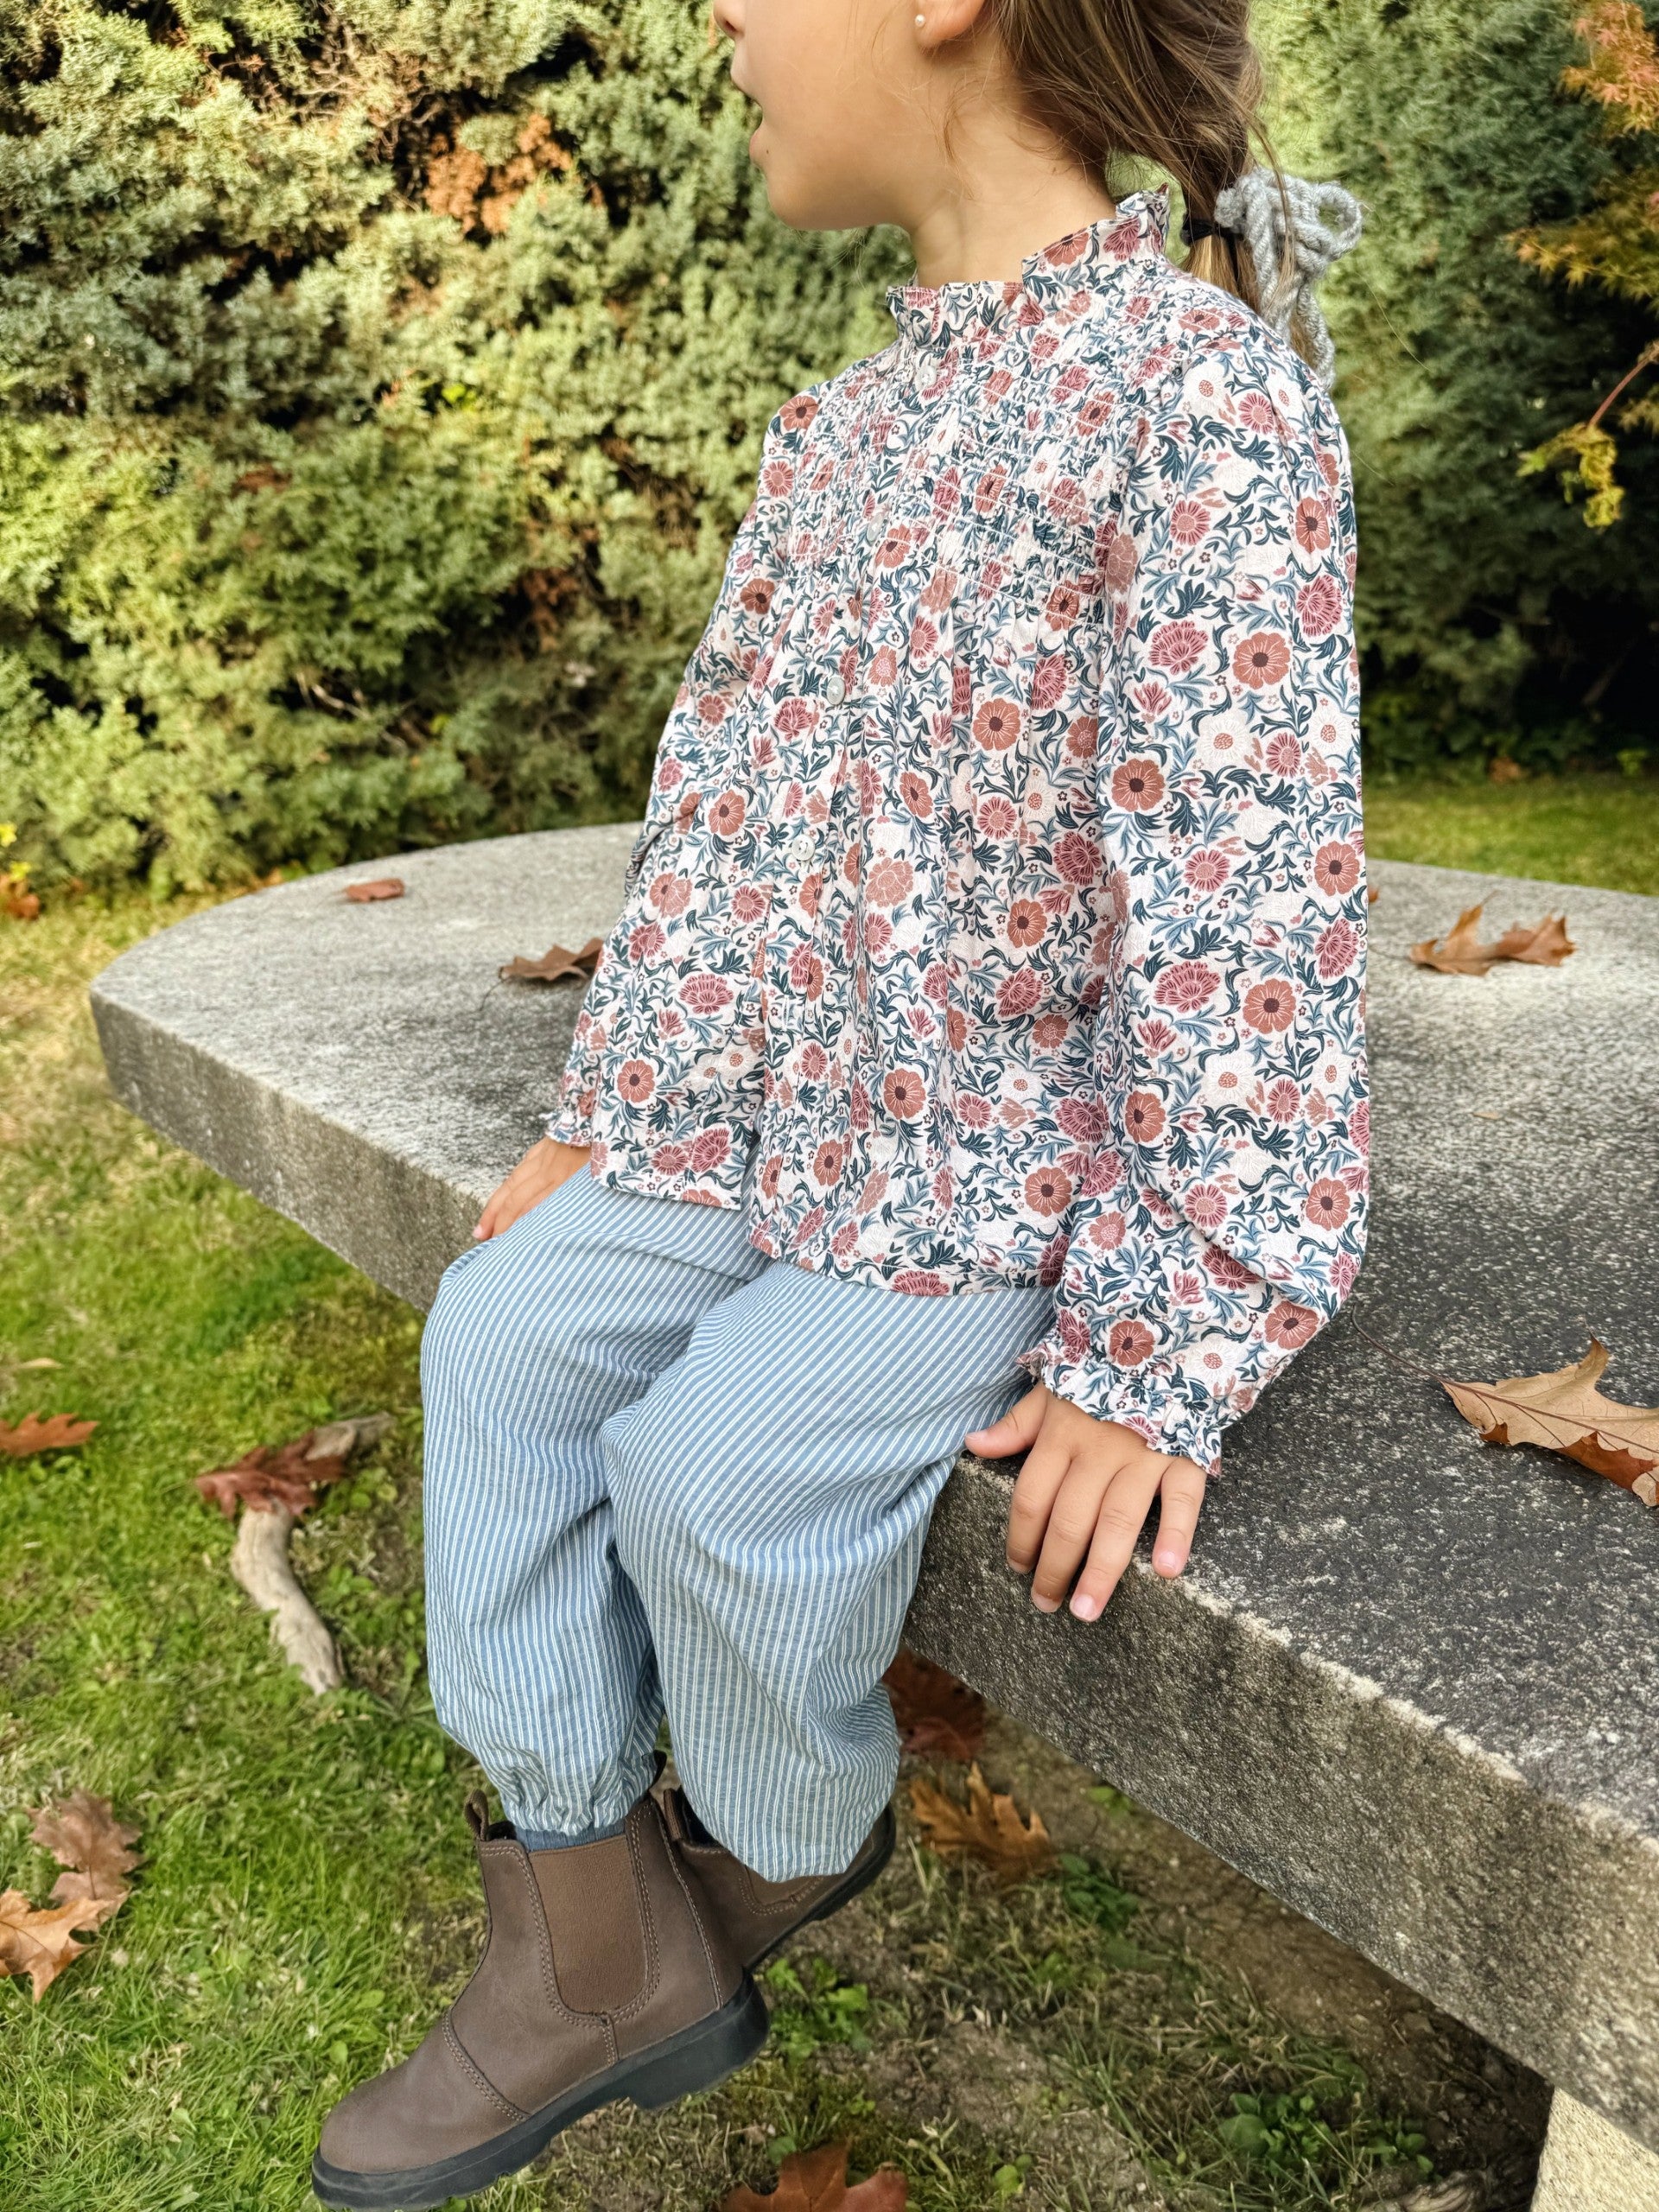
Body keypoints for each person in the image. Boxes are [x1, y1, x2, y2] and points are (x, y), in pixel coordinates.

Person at [312, 0, 1369, 2202]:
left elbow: (1242, 900)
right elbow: (725, 811)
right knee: (503, 1334)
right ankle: (587, 1924)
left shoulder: (1198, 399)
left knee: (720, 1463)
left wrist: (1166, 1332)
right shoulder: (847, 430)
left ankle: (781, 1838)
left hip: (1011, 1166)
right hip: (777, 1101)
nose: (714, 13)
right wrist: (625, 1093)